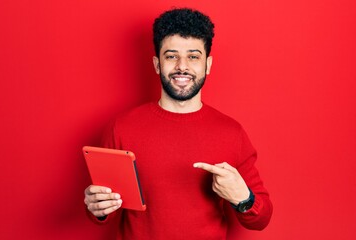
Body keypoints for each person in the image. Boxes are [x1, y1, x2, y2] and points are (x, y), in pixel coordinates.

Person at [84, 8, 273, 239]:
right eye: (171, 56)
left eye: (193, 56)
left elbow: (261, 219)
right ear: (156, 64)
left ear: (208, 65)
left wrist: (244, 199)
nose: (182, 66)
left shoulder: (232, 133)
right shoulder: (121, 127)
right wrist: (98, 207)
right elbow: (103, 212)